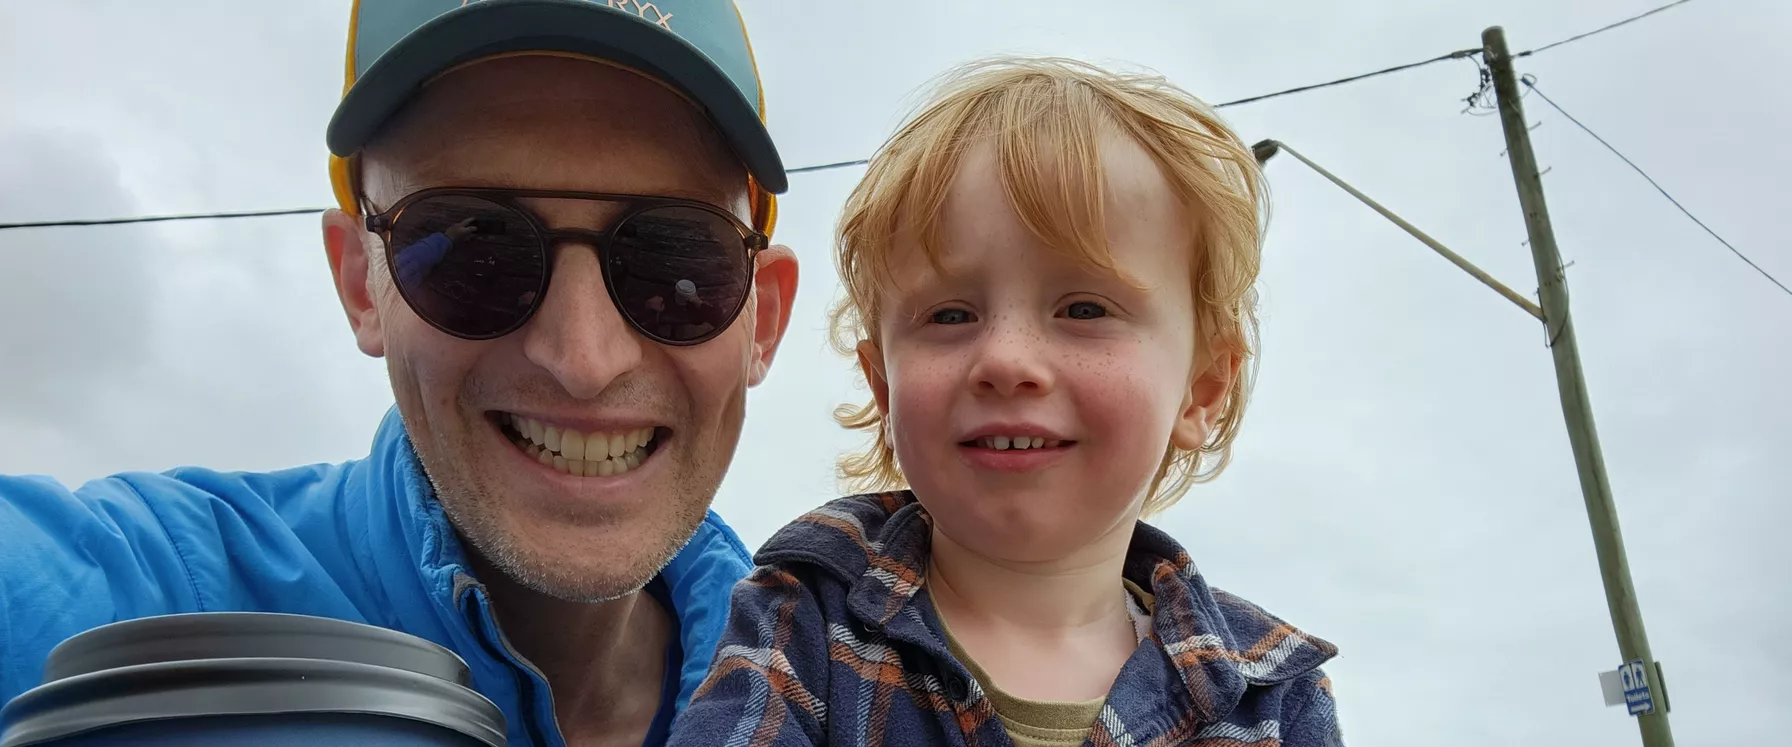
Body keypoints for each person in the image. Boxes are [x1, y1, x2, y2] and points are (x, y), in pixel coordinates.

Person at [0, 2, 800, 746]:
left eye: (676, 263)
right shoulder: (155, 595)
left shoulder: (836, 686)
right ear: (361, 283)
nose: (584, 360)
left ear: (762, 319)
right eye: (475, 252)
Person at [669, 57, 1344, 746]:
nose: (1006, 361)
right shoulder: (803, 616)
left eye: (1084, 308)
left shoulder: (1272, 699)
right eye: (950, 315)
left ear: (1202, 390)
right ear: (883, 386)